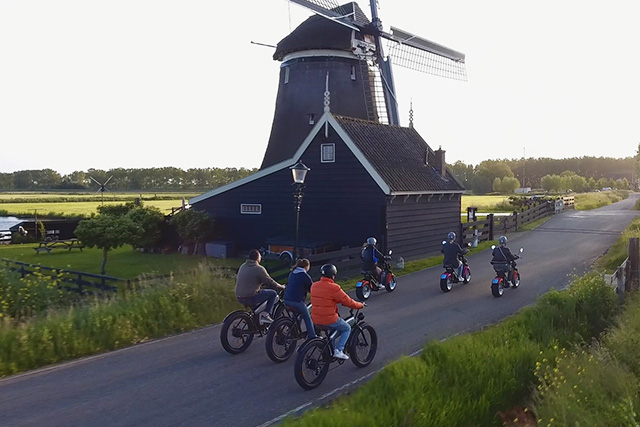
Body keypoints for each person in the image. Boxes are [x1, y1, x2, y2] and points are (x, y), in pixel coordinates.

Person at [310, 264, 364, 360]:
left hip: (315, 319)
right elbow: (347, 301)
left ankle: (330, 350)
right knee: (346, 328)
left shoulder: (314, 285)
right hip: (329, 319)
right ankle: (339, 350)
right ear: (333, 275)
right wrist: (360, 305)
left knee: (332, 331)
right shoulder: (334, 288)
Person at [235, 249, 285, 324]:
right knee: (272, 294)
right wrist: (281, 287)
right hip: (250, 296)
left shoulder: (243, 266)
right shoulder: (259, 268)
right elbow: (270, 281)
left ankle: (254, 323)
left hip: (239, 296)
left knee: (258, 303)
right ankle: (266, 315)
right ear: (258, 258)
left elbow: (251, 279)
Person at [283, 258, 316, 339]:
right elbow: (312, 289)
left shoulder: (292, 273)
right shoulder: (304, 275)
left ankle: (292, 330)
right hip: (297, 301)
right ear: (306, 266)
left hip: (286, 299)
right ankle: (312, 337)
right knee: (307, 318)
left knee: (296, 314)